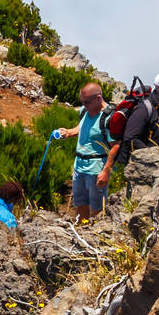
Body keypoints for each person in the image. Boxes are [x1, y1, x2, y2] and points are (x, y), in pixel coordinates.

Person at [97, 71, 159, 191]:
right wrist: (152, 153)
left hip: (155, 165)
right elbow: (131, 137)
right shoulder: (144, 108)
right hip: (137, 167)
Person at [56, 83, 110, 221]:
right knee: (80, 203)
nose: (84, 105)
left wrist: (106, 171)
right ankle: (81, 231)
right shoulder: (84, 111)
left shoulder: (108, 117)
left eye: (87, 102)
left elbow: (116, 145)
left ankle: (95, 235)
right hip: (79, 166)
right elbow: (81, 127)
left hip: (96, 168)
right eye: (82, 102)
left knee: (97, 208)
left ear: (98, 98)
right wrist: (68, 132)